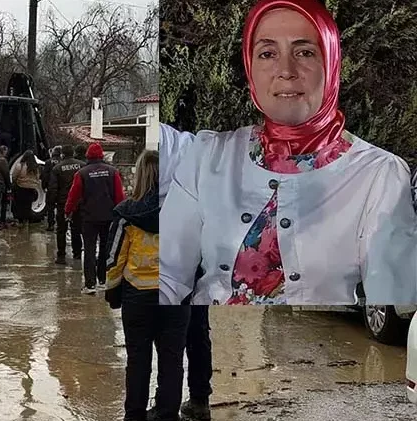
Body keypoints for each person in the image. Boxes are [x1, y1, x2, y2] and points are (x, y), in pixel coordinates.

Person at [160, 0, 417, 305]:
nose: (286, 70)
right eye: (268, 54)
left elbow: (393, 302)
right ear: (250, 68)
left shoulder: (379, 174)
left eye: (304, 52)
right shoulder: (208, 156)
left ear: (332, 63)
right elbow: (165, 275)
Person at [103, 150, 190, 421]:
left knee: (138, 359)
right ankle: (167, 414)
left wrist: (112, 293)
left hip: (138, 296)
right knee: (172, 358)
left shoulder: (126, 214)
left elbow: (114, 259)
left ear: (140, 175)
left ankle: (135, 414)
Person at [161, 123, 213, 420]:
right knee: (197, 327)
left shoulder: (168, 146)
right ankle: (199, 399)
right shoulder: (185, 144)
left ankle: (168, 404)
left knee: (172, 330)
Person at [65, 143, 126, 294]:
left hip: (89, 217)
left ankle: (90, 284)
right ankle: (103, 280)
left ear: (87, 156)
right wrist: (122, 214)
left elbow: (74, 195)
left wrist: (68, 211)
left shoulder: (82, 173)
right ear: (101, 155)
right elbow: (119, 195)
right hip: (109, 216)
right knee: (106, 248)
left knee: (90, 249)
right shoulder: (113, 172)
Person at [47, 144, 85, 264]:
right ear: (73, 153)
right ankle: (77, 254)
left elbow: (53, 188)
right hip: (78, 203)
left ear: (62, 154)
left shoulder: (57, 168)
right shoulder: (82, 166)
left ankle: (61, 255)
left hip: (63, 203)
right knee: (76, 229)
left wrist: (51, 204)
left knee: (61, 230)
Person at [11, 150, 42, 226]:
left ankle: (20, 220)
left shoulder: (20, 166)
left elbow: (14, 176)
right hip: (31, 189)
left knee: (20, 204)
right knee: (28, 205)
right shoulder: (36, 167)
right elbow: (37, 178)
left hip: (21, 188)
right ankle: (26, 220)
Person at [42, 147, 62, 231]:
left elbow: (45, 176)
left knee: (50, 207)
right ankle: (60, 225)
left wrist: (44, 186)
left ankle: (51, 224)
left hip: (51, 188)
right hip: (61, 188)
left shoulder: (48, 162)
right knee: (61, 208)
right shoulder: (63, 162)